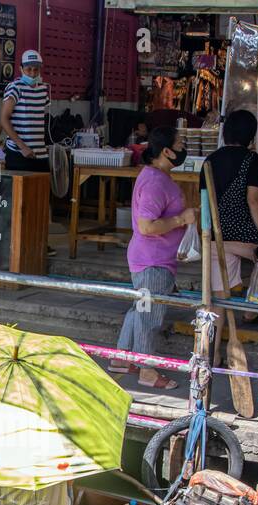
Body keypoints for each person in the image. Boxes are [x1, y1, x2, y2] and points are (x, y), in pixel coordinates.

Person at [111, 126, 195, 390]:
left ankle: (122, 358)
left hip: (151, 259)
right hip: (153, 262)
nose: (183, 148)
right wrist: (181, 219)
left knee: (140, 308)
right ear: (167, 151)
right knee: (149, 314)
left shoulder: (153, 176)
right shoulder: (156, 182)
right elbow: (147, 226)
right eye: (180, 144)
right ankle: (147, 371)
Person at [207, 109, 258, 267]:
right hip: (243, 235)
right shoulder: (252, 159)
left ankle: (217, 245)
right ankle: (257, 290)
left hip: (213, 232)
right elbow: (254, 200)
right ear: (250, 135)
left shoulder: (210, 159)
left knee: (221, 290)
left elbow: (206, 199)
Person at [1, 49, 50, 172]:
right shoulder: (15, 88)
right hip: (19, 153)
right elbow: (4, 119)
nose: (33, 74)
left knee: (40, 190)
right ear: (21, 69)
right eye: (29, 70)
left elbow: (38, 120)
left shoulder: (43, 89)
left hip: (40, 154)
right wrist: (22, 147)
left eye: (36, 70)